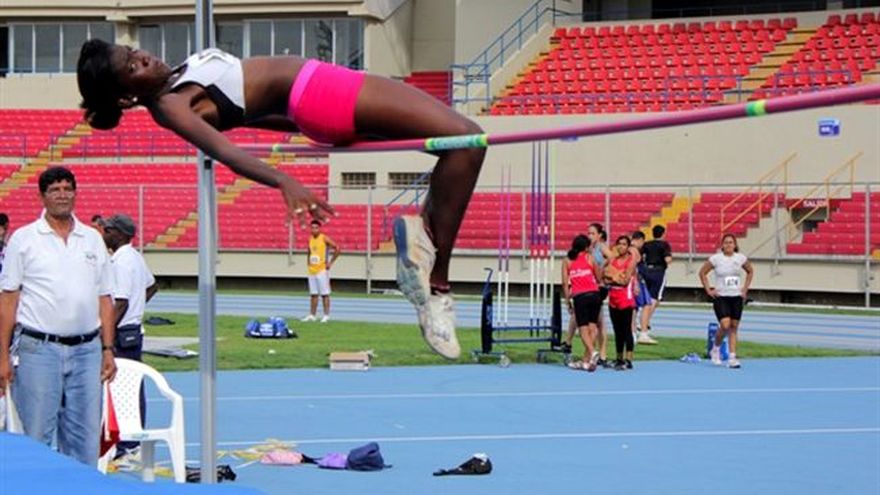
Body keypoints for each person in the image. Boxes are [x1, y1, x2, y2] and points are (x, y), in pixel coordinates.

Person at [76, 39, 485, 359]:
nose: (143, 58)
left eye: (133, 51)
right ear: (126, 98)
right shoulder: (170, 105)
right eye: (132, 67)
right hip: (323, 92)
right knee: (468, 141)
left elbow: (253, 108)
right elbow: (225, 152)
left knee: (458, 147)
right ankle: (437, 285)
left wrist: (312, 129)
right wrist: (283, 179)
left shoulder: (178, 80)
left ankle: (425, 256)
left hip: (319, 94)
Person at [0, 166, 116, 466]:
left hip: (87, 350)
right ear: (42, 197)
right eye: (54, 190)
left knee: (85, 439)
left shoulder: (92, 239)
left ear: (75, 194)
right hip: (39, 349)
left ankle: (81, 486)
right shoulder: (24, 239)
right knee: (37, 435)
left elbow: (105, 298)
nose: (62, 195)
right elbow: (9, 300)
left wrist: (108, 348)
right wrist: (2, 356)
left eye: (67, 189)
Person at [101, 213, 158, 459]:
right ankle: (132, 441)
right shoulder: (135, 257)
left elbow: (121, 302)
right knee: (132, 387)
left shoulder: (122, 262)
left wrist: (106, 333)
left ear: (121, 235)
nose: (104, 233)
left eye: (109, 230)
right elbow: (152, 286)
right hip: (133, 330)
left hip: (121, 332)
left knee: (119, 388)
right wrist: (139, 306)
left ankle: (125, 444)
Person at [699, 234, 754, 369]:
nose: (728, 245)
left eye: (731, 242)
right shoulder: (716, 259)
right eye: (726, 243)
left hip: (736, 296)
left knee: (734, 326)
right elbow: (702, 273)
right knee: (725, 325)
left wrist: (744, 290)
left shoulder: (740, 258)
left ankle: (732, 358)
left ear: (735, 245)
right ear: (722, 245)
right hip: (721, 296)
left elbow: (750, 271)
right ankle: (715, 348)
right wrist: (708, 290)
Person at [561, 234, 602, 372]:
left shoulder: (567, 261)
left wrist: (567, 300)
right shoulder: (590, 258)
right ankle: (586, 361)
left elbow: (565, 283)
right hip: (594, 295)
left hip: (580, 296)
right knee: (593, 328)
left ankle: (593, 352)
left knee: (583, 329)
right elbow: (599, 277)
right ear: (585, 247)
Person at [605, 235, 639, 370]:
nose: (621, 246)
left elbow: (625, 281)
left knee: (626, 329)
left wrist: (613, 276)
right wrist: (617, 276)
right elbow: (604, 277)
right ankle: (619, 358)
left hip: (625, 298)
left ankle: (628, 359)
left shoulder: (631, 261)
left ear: (628, 247)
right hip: (613, 297)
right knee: (617, 330)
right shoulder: (613, 260)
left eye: (624, 244)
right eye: (619, 244)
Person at [637, 225, 671, 344]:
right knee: (654, 299)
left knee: (649, 298)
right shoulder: (664, 245)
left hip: (647, 271)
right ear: (663, 233)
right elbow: (667, 259)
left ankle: (644, 322)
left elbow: (639, 256)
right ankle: (644, 323)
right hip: (658, 272)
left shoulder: (647, 244)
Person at [302, 220, 339, 323]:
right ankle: (312, 315)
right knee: (313, 294)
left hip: (322, 270)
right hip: (312, 270)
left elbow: (337, 248)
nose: (314, 230)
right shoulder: (310, 239)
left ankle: (326, 315)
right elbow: (309, 251)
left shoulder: (324, 238)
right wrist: (308, 262)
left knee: (324, 293)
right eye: (312, 228)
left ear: (319, 229)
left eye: (316, 228)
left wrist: (330, 262)